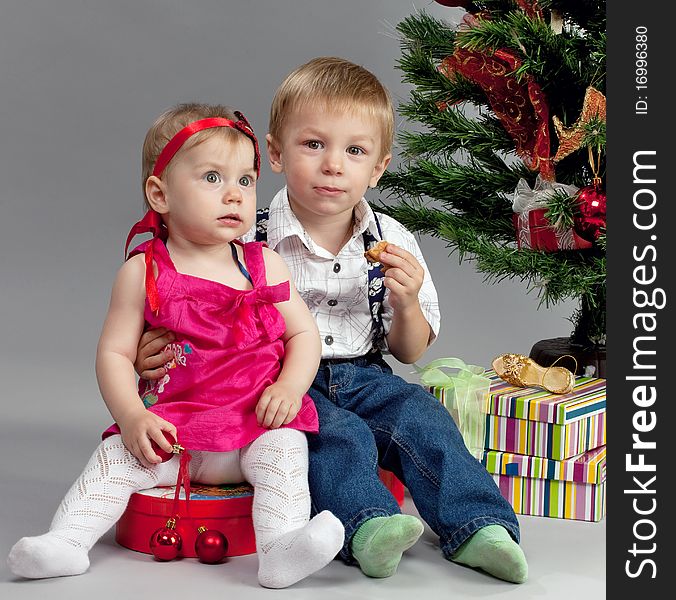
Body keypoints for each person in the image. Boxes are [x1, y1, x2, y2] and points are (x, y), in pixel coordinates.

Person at [135, 58, 529, 584]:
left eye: (355, 151)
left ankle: (479, 525)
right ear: (274, 152)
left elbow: (409, 352)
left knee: (421, 417)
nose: (333, 166)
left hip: (366, 372)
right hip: (277, 378)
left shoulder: (391, 239)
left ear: (379, 166)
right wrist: (150, 353)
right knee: (333, 437)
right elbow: (188, 308)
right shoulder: (244, 238)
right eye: (313, 144)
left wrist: (406, 301)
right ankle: (369, 528)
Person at [7, 103, 345, 588]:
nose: (234, 194)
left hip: (251, 424)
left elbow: (303, 334)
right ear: (159, 194)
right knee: (115, 458)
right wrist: (131, 416)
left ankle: (279, 548)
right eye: (212, 178)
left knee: (285, 449)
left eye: (246, 181)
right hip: (173, 434)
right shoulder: (142, 272)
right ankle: (66, 541)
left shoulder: (263, 264)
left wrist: (291, 387)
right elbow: (115, 354)